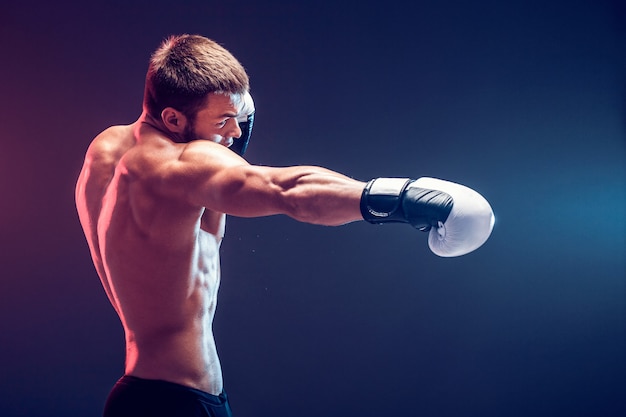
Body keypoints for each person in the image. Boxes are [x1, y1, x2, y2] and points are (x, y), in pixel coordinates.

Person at [75, 34, 494, 417]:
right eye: (222, 121)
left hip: (135, 396)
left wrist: (220, 128)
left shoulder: (105, 151)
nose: (235, 131)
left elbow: (179, 239)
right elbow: (286, 189)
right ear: (173, 119)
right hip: (181, 404)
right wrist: (401, 198)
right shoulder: (181, 165)